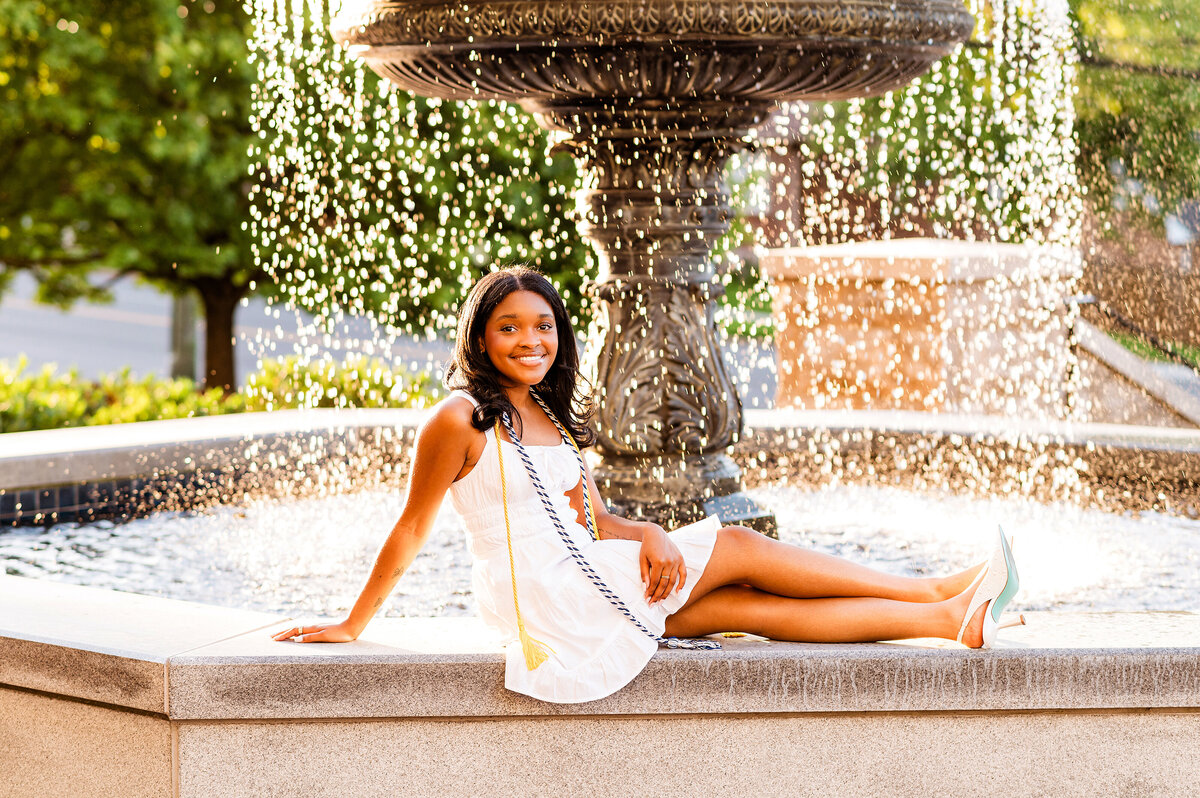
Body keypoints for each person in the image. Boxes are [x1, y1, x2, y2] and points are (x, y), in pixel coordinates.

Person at [273, 266, 1022, 703]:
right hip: (545, 595)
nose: (530, 341)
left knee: (743, 606)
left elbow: (594, 518)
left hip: (583, 572)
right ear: (478, 337)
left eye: (544, 327)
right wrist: (351, 625)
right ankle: (934, 592)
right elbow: (411, 527)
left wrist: (654, 532)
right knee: (734, 543)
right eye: (510, 327)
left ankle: (950, 617)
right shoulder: (459, 418)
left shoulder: (549, 416)